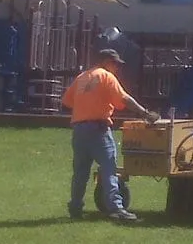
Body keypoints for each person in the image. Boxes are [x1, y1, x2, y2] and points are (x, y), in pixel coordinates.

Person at [62, 49, 159, 222]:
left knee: (80, 173)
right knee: (109, 169)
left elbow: (67, 101)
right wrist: (145, 113)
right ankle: (116, 209)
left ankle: (75, 208)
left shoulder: (82, 77)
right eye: (115, 64)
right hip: (98, 129)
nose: (117, 68)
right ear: (106, 61)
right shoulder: (106, 76)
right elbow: (124, 99)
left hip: (79, 130)